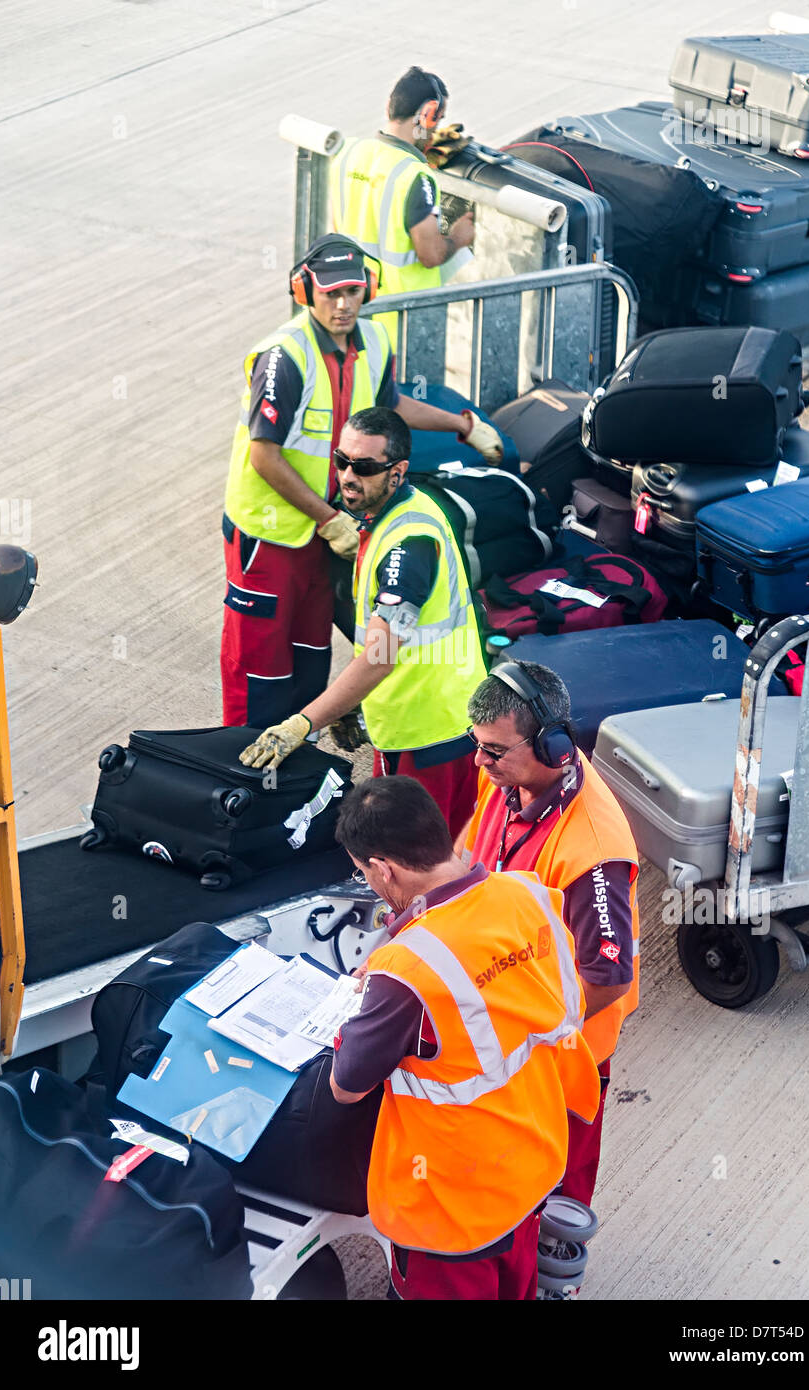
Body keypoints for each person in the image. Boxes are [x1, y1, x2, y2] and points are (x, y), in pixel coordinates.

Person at [328, 775, 600, 1301]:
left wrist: (373, 1005)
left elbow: (346, 1086)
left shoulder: (407, 967)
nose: (369, 882)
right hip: (532, 1164)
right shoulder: (527, 894)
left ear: (383, 868)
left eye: (364, 872)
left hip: (450, 1208)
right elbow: (559, 1004)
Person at [221, 233, 502, 729]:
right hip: (270, 538)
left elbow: (390, 405)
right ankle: (240, 773)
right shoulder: (285, 356)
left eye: (352, 291)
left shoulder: (374, 341)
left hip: (326, 532)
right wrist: (330, 520)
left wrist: (463, 425)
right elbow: (264, 457)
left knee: (310, 654)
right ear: (306, 292)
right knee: (258, 670)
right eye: (331, 293)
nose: (343, 304)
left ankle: (298, 757)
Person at [239, 407, 488, 836]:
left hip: (431, 735)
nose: (349, 476)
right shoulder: (390, 516)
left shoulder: (406, 546)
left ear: (398, 471)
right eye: (342, 461)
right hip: (418, 721)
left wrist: (303, 723)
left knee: (425, 867)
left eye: (366, 467)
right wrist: (354, 701)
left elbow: (379, 657)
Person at [458, 660, 640, 1209]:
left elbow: (607, 979)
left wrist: (524, 1037)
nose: (479, 761)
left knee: (558, 1173)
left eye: (494, 750)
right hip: (513, 1023)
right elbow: (473, 851)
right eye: (477, 744)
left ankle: (560, 1273)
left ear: (554, 746)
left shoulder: (592, 853)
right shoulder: (514, 777)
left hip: (562, 1048)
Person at [329, 67, 474, 346]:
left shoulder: (349, 153)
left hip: (355, 315)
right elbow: (430, 254)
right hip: (403, 328)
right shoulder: (414, 175)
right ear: (427, 114)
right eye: (438, 119)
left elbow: (339, 231)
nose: (436, 130)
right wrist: (458, 237)